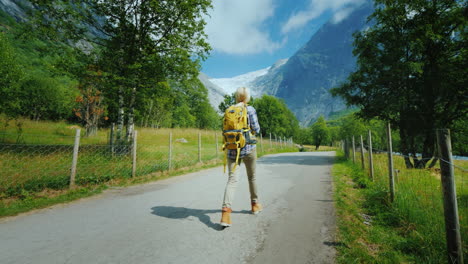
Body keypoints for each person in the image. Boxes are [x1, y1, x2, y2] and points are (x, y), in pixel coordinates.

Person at [220, 87, 262, 227]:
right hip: (249, 149)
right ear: (247, 97)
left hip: (232, 149)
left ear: (237, 97)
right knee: (252, 177)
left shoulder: (229, 110)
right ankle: (255, 205)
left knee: (232, 180)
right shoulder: (250, 110)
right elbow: (256, 129)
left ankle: (225, 214)